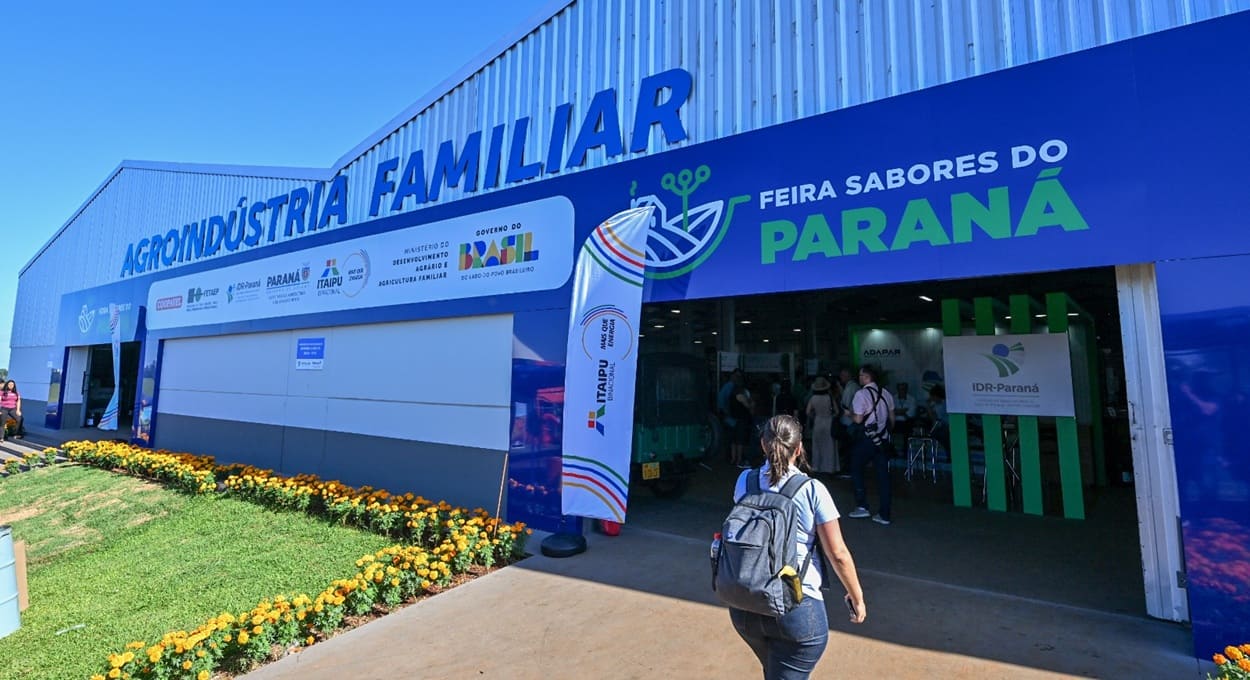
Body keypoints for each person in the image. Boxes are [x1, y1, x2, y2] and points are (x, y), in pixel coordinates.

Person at [729, 415, 867, 678]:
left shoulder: (744, 481)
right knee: (793, 661)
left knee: (774, 669)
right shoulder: (812, 490)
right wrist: (856, 597)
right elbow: (837, 554)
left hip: (744, 603)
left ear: (763, 444)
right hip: (796, 609)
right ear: (800, 447)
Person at [847, 365, 896, 526]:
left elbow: (858, 420)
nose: (859, 378)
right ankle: (884, 514)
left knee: (856, 469)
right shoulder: (886, 393)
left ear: (867, 377)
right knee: (883, 477)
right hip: (882, 439)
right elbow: (892, 418)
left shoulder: (861, 395)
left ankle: (862, 505)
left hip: (867, 439)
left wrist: (850, 414)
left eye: (861, 375)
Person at [804, 376, 838, 475]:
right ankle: (829, 468)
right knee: (829, 446)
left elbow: (807, 412)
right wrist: (831, 416)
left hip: (818, 421)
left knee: (817, 445)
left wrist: (813, 417)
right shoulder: (829, 398)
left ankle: (817, 467)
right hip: (828, 421)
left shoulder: (813, 398)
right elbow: (837, 411)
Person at [728, 371, 755, 467]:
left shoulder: (731, 392)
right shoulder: (740, 394)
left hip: (732, 419)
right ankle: (739, 460)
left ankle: (733, 459)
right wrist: (751, 402)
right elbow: (747, 405)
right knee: (740, 440)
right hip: (741, 420)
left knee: (733, 441)